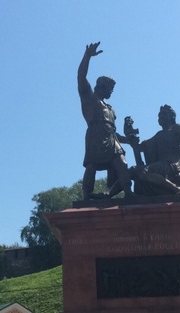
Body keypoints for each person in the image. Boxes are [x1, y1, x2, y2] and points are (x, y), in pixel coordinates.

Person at [77, 42, 133, 200]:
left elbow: (114, 133)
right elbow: (81, 77)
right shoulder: (89, 98)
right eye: (111, 89)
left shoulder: (110, 109)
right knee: (91, 166)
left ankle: (128, 193)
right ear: (102, 87)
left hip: (112, 141)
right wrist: (87, 57)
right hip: (95, 137)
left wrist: (129, 140)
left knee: (122, 163)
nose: (112, 92)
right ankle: (87, 195)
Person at [132, 105, 180, 195]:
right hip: (161, 165)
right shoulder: (158, 136)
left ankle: (176, 189)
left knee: (143, 171)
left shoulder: (177, 128)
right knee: (133, 171)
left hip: (173, 164)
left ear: (172, 116)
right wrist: (131, 138)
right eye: (159, 115)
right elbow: (140, 147)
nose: (161, 116)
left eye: (164, 113)